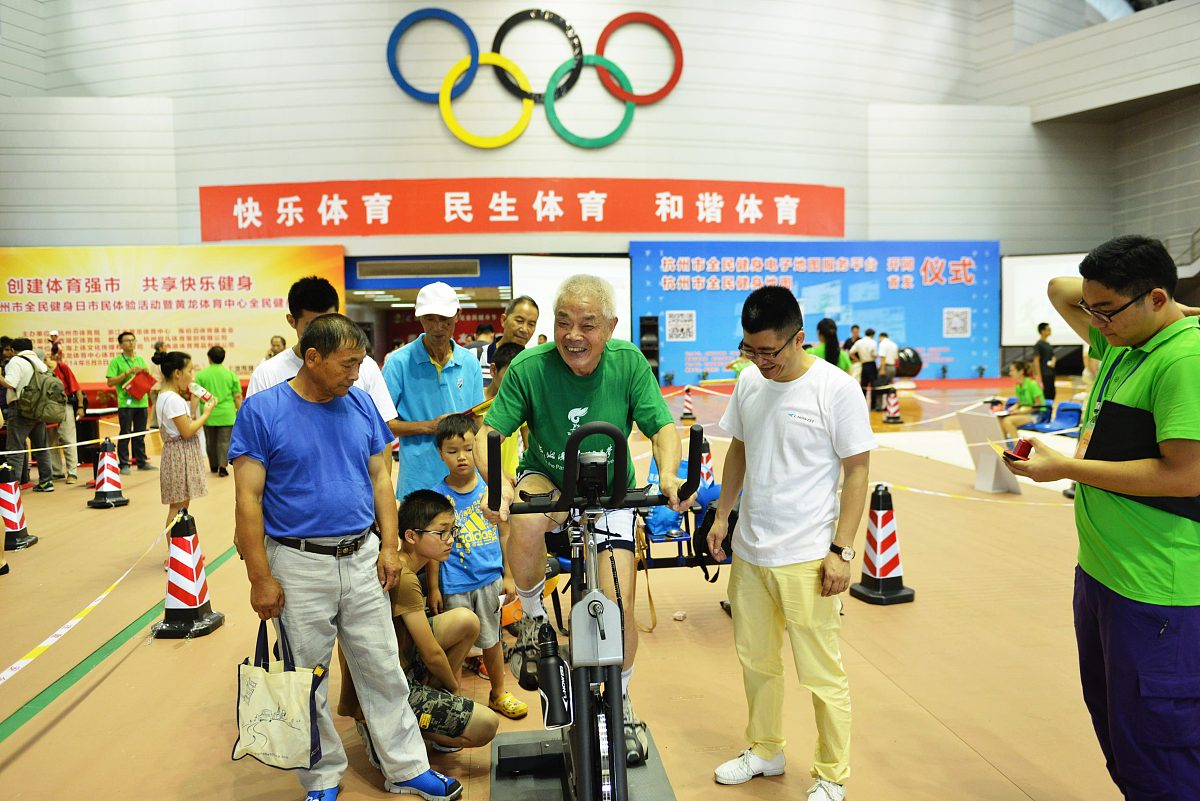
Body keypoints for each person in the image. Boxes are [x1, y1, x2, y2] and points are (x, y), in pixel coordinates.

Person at [230, 314, 461, 801]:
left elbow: (381, 477)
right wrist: (260, 577)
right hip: (297, 563)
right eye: (348, 363)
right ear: (312, 358)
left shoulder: (359, 404)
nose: (356, 374)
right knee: (308, 677)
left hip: (362, 557)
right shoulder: (263, 412)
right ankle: (323, 777)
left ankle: (406, 768)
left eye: (361, 363)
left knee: (381, 666)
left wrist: (392, 546)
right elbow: (247, 500)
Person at [1004, 235, 1200, 801]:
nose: (1094, 322)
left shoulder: (1182, 360)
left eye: (1106, 311)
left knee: (1161, 751)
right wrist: (1112, 307)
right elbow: (1058, 288)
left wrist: (1067, 467)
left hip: (1157, 589)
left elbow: (1186, 476)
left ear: (1156, 298)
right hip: (1104, 575)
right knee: (1122, 734)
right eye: (1093, 310)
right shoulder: (1125, 338)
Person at [476, 274, 692, 765]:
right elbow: (488, 433)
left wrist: (671, 476)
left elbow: (662, 426)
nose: (573, 335)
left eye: (588, 325)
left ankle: (623, 698)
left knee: (619, 605)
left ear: (611, 327)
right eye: (564, 322)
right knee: (526, 519)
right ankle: (532, 618)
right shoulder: (530, 366)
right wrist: (501, 486)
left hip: (611, 492)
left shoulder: (629, 362)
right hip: (549, 480)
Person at [706, 287, 875, 801]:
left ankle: (830, 774)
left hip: (807, 557)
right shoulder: (750, 383)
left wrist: (842, 550)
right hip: (752, 551)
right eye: (749, 350)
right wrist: (722, 515)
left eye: (770, 353)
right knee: (756, 662)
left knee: (822, 674)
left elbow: (858, 472)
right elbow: (738, 449)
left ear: (799, 339)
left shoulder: (836, 389)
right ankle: (765, 749)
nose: (759, 362)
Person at [338, 489, 500, 760]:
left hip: (399, 667)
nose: (450, 540)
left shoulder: (409, 565)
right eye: (442, 533)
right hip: (385, 686)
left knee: (467, 621)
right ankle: (382, 730)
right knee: (486, 725)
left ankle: (421, 712)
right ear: (411, 536)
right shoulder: (405, 577)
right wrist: (456, 692)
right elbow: (432, 654)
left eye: (452, 531)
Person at [429, 414, 527, 721]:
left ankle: (498, 692)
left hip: (488, 580)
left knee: (492, 640)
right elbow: (433, 549)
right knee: (456, 647)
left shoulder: (492, 490)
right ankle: (454, 699)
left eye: (469, 449)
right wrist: (433, 587)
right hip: (454, 582)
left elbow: (505, 533)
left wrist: (509, 575)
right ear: (440, 453)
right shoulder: (437, 497)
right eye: (452, 450)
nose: (462, 457)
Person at [247, 276, 400, 440]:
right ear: (292, 321)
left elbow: (381, 432)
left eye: (329, 322)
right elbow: (255, 439)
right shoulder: (267, 373)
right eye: (312, 325)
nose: (323, 333)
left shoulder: (364, 366)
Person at [383, 281, 484, 500]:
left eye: (444, 319)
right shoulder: (398, 363)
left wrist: (491, 473)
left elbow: (478, 422)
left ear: (458, 315)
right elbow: (382, 424)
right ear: (419, 317)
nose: (437, 327)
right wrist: (428, 426)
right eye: (430, 318)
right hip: (419, 479)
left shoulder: (469, 363)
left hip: (466, 480)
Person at [152, 350, 212, 558]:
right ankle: (176, 555)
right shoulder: (173, 399)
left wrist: (195, 404)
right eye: (189, 370)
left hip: (176, 453)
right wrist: (206, 413)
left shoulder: (166, 396)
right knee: (177, 507)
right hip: (179, 455)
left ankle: (182, 550)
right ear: (177, 373)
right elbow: (186, 431)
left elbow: (182, 424)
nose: (192, 375)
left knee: (180, 506)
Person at [1, 338, 55, 492]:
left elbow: (11, 383)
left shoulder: (16, 361)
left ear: (12, 350)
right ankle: (46, 482)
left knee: (15, 448)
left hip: (20, 409)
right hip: (39, 408)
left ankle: (13, 486)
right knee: (41, 447)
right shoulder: (39, 362)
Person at [105, 331, 156, 475]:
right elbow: (110, 382)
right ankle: (124, 463)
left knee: (140, 434)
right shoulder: (116, 361)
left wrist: (145, 371)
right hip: (126, 403)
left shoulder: (140, 359)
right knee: (125, 433)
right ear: (120, 344)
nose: (131, 343)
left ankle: (141, 461)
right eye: (127, 341)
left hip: (142, 402)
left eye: (133, 340)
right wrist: (127, 373)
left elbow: (147, 378)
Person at [193, 345, 242, 477]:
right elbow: (237, 396)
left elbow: (195, 396)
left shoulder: (201, 375)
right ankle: (223, 466)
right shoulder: (231, 375)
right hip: (227, 414)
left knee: (211, 441)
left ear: (209, 358)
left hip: (208, 414)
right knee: (224, 441)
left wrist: (192, 413)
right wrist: (241, 412)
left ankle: (213, 465)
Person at [474, 296, 539, 385]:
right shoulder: (475, 357)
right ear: (503, 320)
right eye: (519, 321)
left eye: (531, 324)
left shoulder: (533, 365)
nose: (524, 329)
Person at [45, 355, 84, 484]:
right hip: (47, 408)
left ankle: (72, 472)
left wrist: (80, 406)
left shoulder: (62, 367)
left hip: (64, 405)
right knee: (51, 440)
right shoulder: (38, 371)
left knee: (68, 439)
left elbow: (76, 387)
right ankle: (56, 471)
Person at [999, 360, 1045, 441]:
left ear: (1021, 371)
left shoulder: (1032, 384)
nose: (1010, 373)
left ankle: (1017, 448)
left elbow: (1038, 405)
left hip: (1036, 414)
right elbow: (1020, 402)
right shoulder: (1018, 386)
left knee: (1007, 421)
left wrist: (1020, 412)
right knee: (1000, 418)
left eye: (1012, 370)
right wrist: (1011, 408)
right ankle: (1005, 444)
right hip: (1024, 412)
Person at [847, 328, 878, 396]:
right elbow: (875, 356)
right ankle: (873, 405)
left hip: (863, 365)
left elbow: (850, 353)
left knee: (863, 384)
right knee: (873, 385)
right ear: (873, 335)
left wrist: (858, 360)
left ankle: (862, 403)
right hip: (871, 364)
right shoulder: (873, 342)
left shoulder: (859, 342)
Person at [1034, 322, 1057, 402]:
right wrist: (1039, 376)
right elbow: (1036, 360)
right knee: (1046, 395)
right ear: (1042, 331)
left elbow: (1053, 356)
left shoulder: (1048, 344)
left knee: (1052, 393)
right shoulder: (1038, 344)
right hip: (1044, 374)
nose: (1050, 330)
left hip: (1051, 373)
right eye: (1048, 329)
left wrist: (1053, 361)